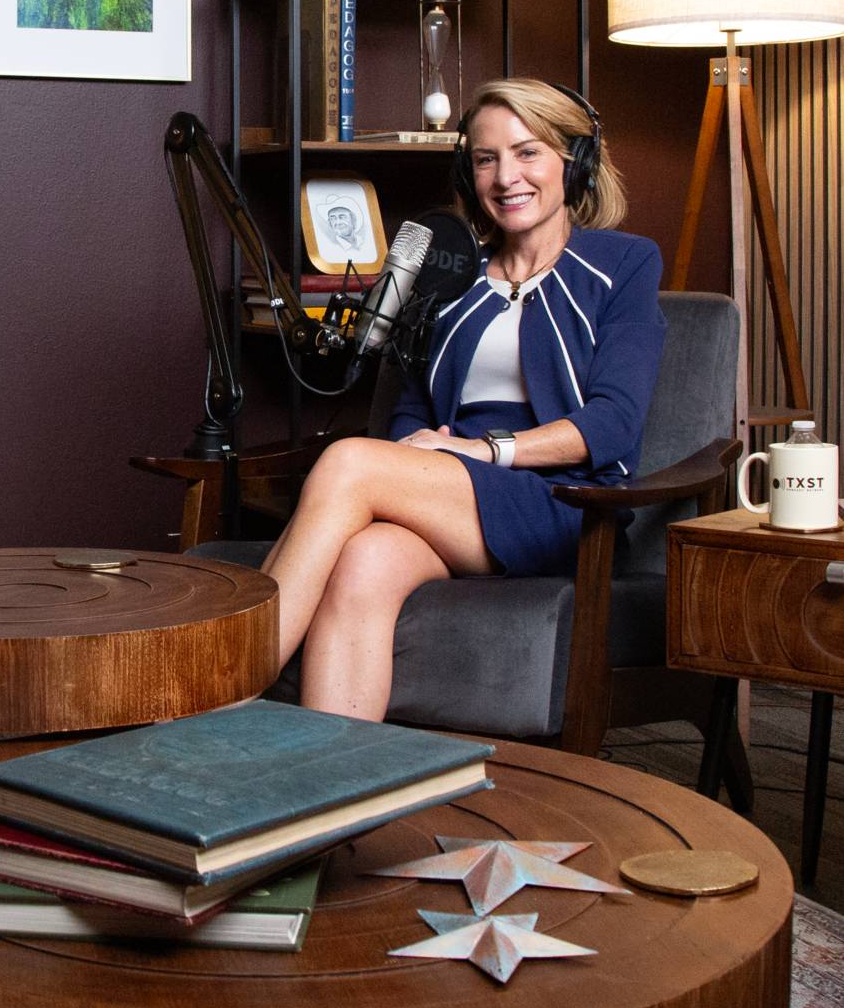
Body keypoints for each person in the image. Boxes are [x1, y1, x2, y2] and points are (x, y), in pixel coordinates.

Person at [259, 78, 664, 722]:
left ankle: (216, 692)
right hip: (454, 495)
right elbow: (414, 409)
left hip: (566, 506)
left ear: (576, 160)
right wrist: (413, 461)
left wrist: (483, 450)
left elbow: (613, 425)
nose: (506, 177)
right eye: (486, 159)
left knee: (347, 461)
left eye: (528, 153)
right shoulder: (453, 271)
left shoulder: (624, 264)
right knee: (365, 561)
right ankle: (332, 772)